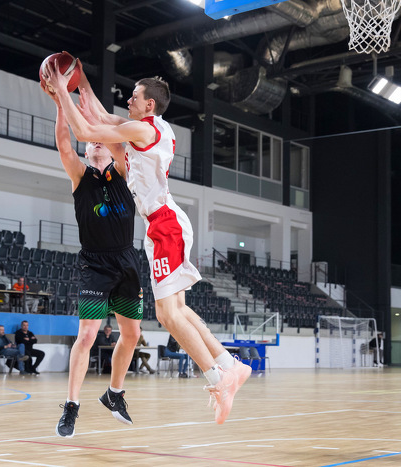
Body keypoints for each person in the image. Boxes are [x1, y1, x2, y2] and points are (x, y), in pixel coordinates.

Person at [43, 61, 252, 425]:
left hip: (164, 225)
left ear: (149, 104)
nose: (129, 100)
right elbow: (99, 116)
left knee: (168, 315)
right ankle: (228, 364)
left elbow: (86, 128)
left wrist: (61, 90)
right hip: (162, 225)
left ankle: (219, 378)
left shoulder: (143, 129)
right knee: (179, 310)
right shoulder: (147, 130)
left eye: (134, 96)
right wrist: (81, 80)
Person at [42, 85, 144, 438]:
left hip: (127, 260)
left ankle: (114, 394)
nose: (98, 143)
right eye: (92, 141)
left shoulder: (123, 173)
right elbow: (63, 144)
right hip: (94, 264)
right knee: (87, 334)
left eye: (102, 140)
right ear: (87, 149)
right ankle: (71, 406)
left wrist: (97, 120)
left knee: (132, 334)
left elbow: (120, 144)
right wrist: (62, 103)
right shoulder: (80, 176)